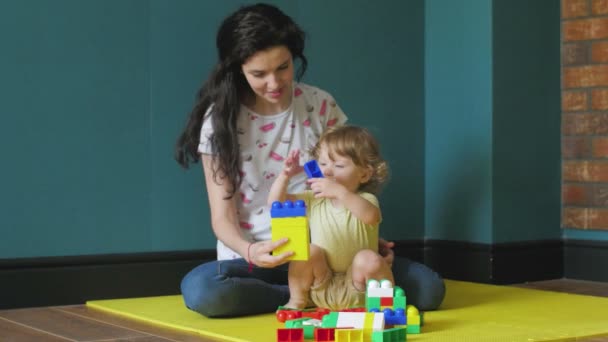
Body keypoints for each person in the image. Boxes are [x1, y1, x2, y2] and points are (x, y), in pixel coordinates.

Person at [175, 2, 445, 318]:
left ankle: (322, 294)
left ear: (294, 58)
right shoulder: (220, 122)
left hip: (334, 257)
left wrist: (365, 238)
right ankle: (309, 296)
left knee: (430, 290)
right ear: (237, 70)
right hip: (260, 260)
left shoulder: (320, 105)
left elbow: (348, 182)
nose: (274, 83)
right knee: (204, 290)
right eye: (259, 74)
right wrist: (251, 251)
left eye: (283, 67)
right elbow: (222, 219)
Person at [268, 126, 394, 311]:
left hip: (360, 287)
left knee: (369, 259)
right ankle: (297, 299)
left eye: (339, 165)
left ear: (364, 174)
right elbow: (275, 204)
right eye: (323, 163)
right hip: (321, 283)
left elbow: (371, 217)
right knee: (308, 251)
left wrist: (340, 193)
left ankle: (385, 305)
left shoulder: (366, 200)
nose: (327, 172)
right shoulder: (313, 198)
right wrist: (284, 176)